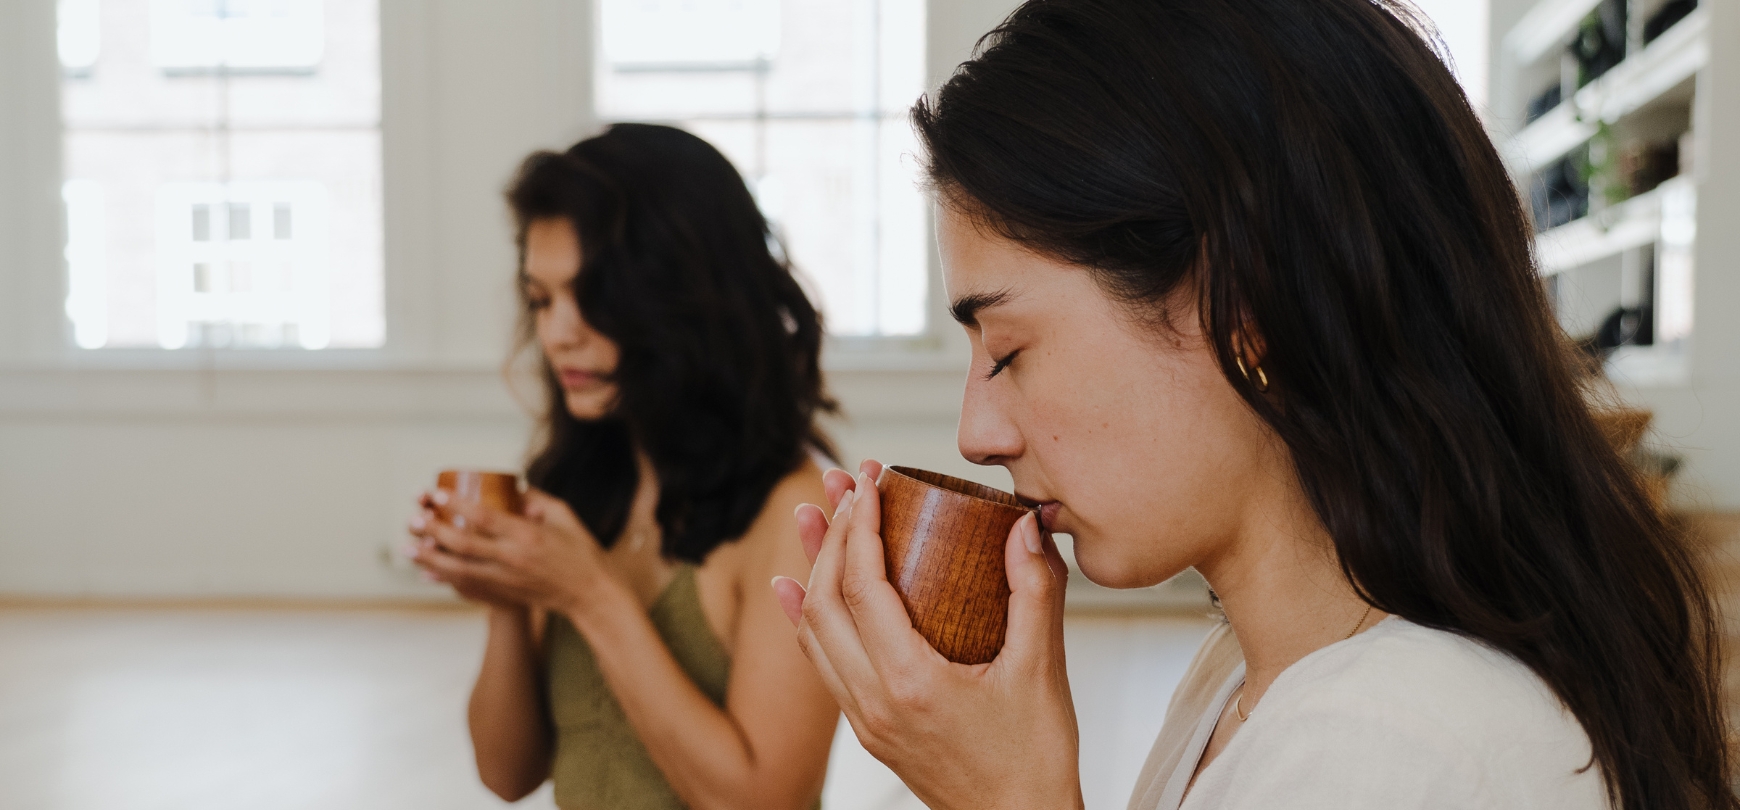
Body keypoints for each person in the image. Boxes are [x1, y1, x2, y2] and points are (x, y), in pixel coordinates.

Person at [771, 1, 1735, 809]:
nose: (977, 433)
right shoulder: (1251, 678)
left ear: (1248, 311)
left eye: (1010, 349)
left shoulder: (1399, 746)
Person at [408, 124, 840, 810]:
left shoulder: (798, 508)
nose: (558, 333)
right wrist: (507, 605)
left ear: (689, 295)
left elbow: (763, 802)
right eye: (542, 300)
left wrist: (590, 594)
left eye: (593, 298)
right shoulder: (584, 486)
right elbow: (507, 772)